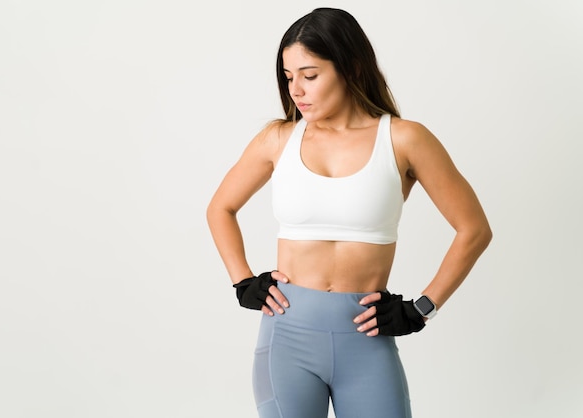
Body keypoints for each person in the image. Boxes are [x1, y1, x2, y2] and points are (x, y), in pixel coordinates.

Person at [206, 7, 492, 418]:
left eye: (310, 75)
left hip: (366, 340)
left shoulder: (405, 139)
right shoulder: (277, 139)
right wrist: (242, 282)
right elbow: (221, 207)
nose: (296, 91)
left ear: (351, 68)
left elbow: (473, 229)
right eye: (288, 78)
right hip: (287, 338)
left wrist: (421, 308)